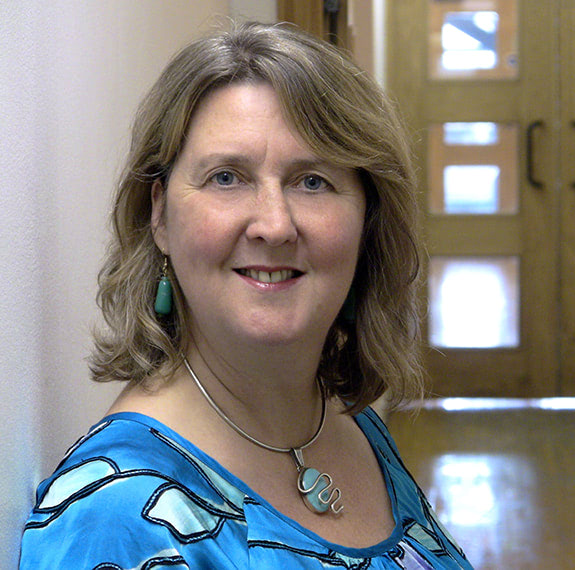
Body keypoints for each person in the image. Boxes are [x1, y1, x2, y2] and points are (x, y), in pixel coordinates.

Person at [19, 21, 472, 569]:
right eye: (227, 178)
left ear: (367, 222)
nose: (275, 226)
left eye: (313, 181)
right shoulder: (119, 519)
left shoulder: (349, 423)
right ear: (160, 215)